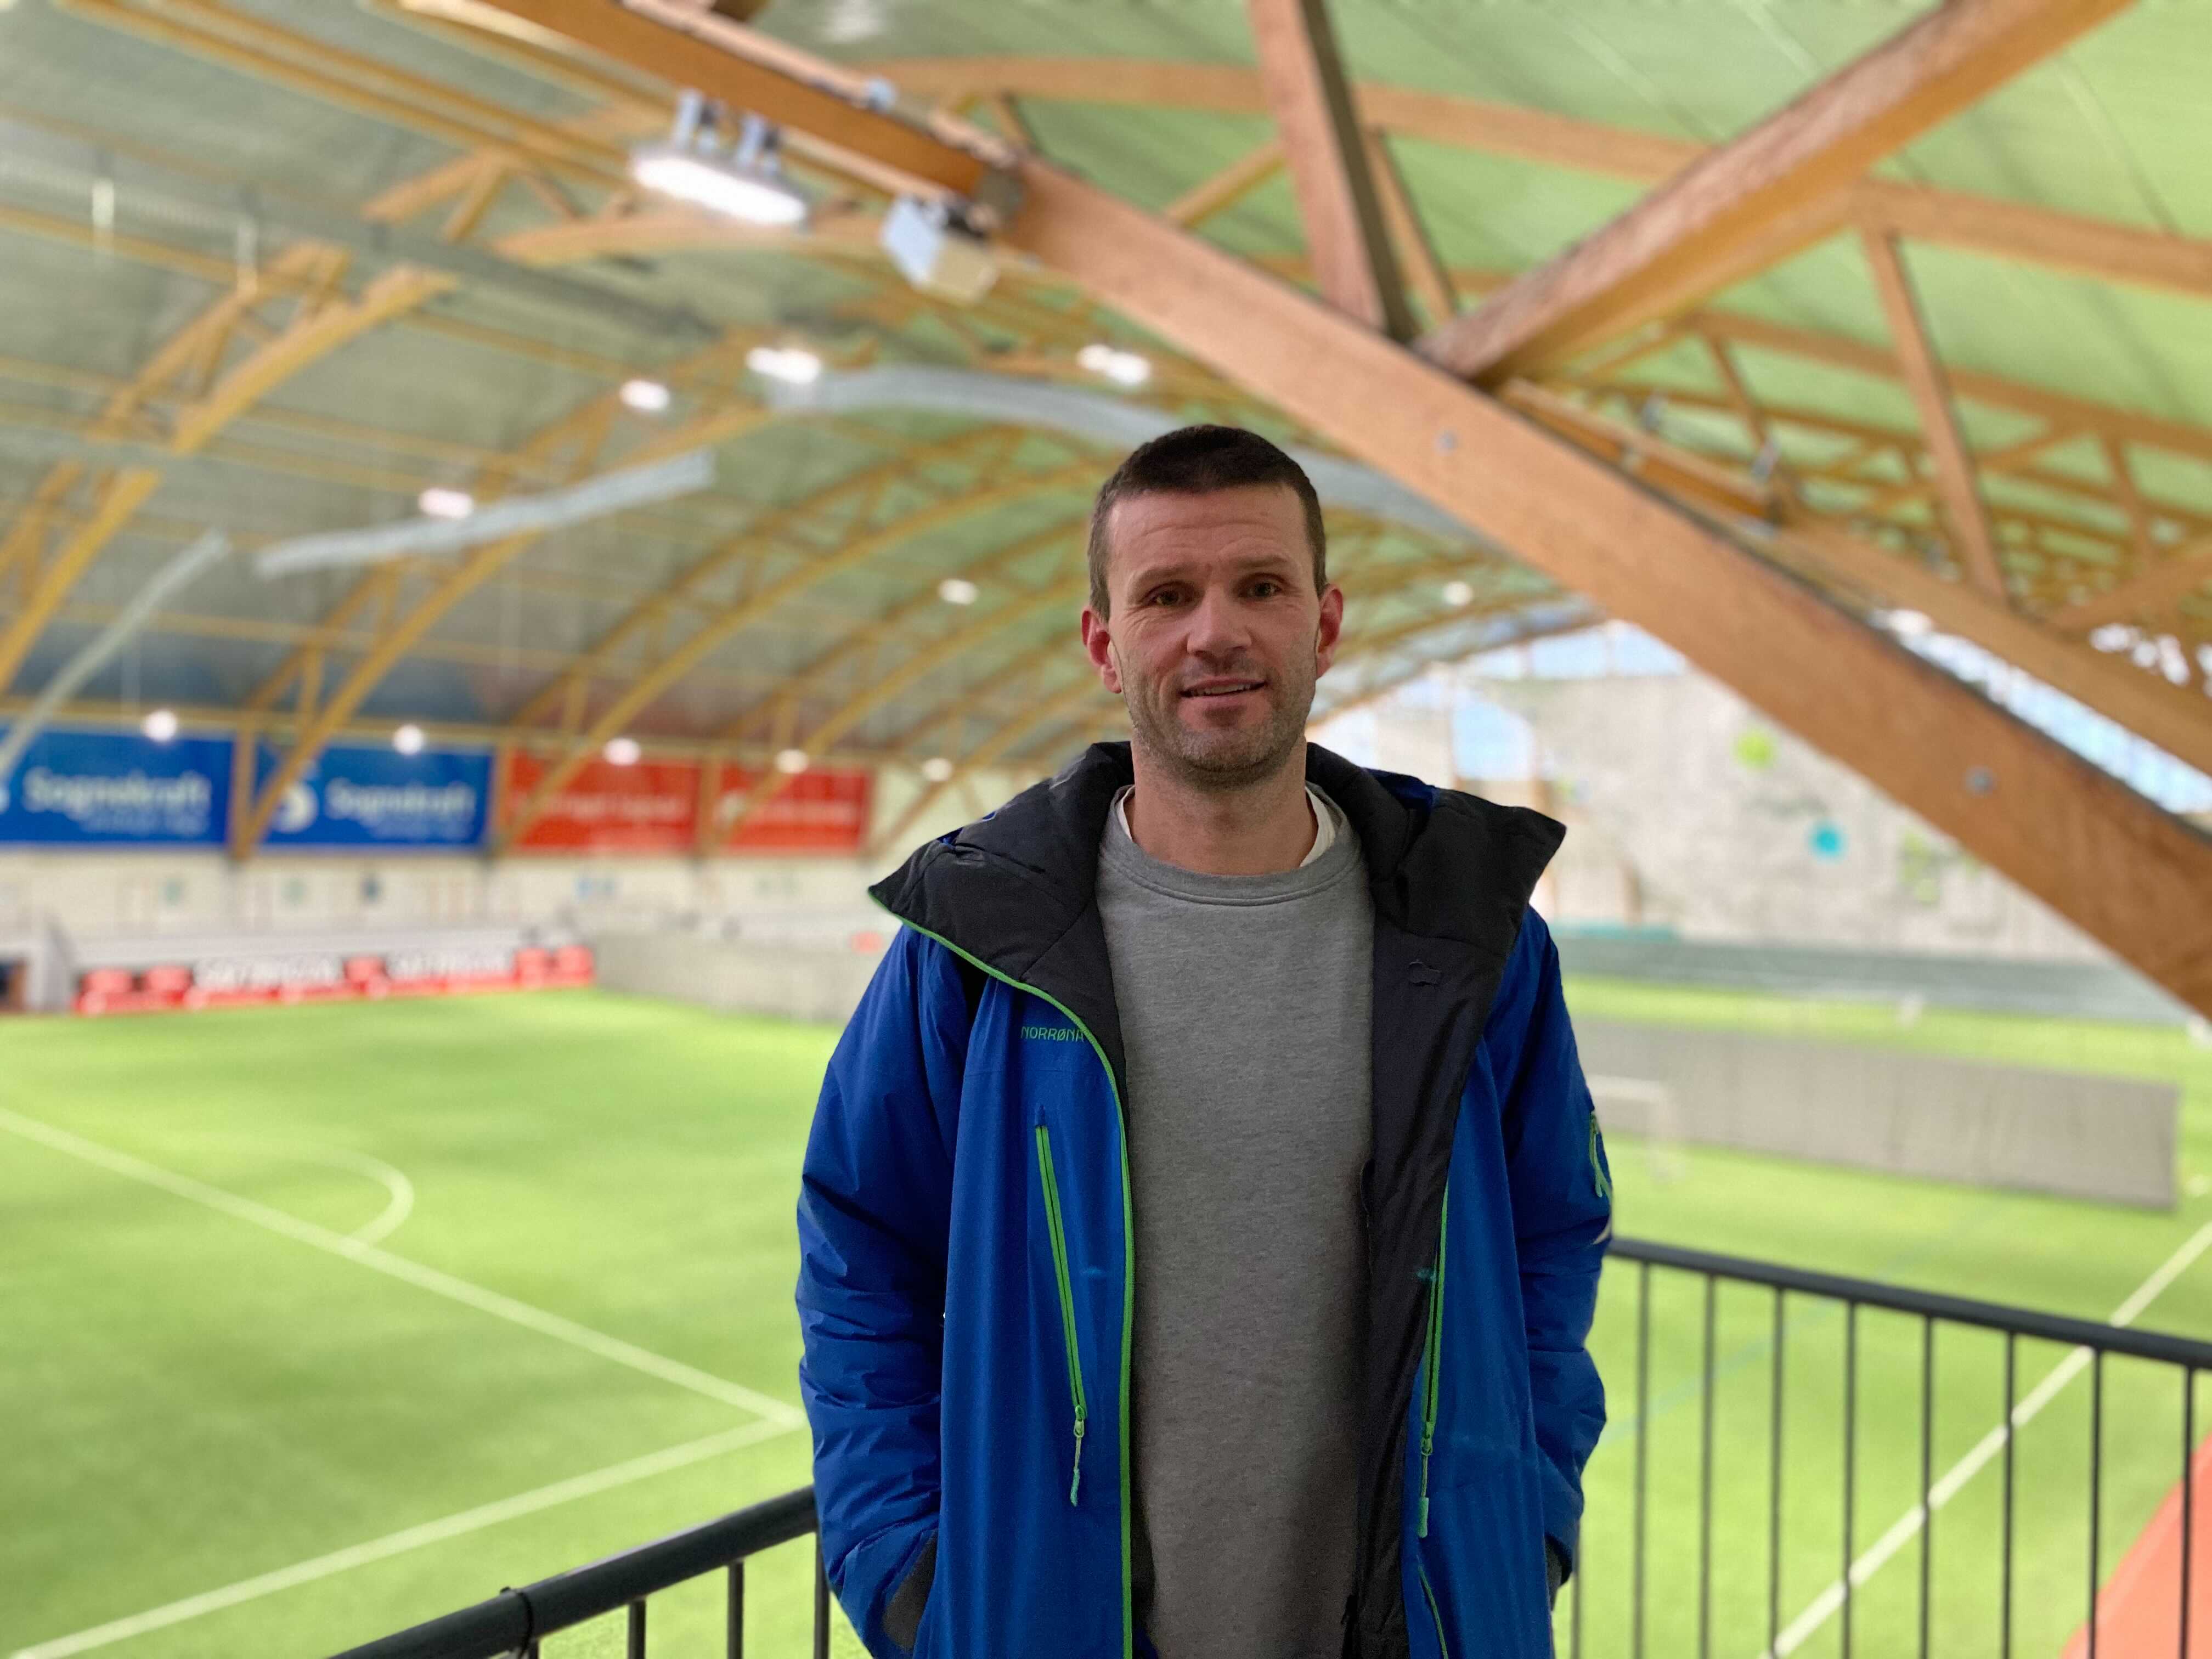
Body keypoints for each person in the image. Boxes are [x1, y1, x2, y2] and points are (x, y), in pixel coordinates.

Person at [797, 425, 1611, 1659]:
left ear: (1325, 624)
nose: (1214, 633)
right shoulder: (975, 946)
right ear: (1104, 643)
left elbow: (1555, 1235)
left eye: (1261, 587)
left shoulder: (1473, 940)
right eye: (1166, 595)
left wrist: (1523, 1520)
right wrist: (904, 1567)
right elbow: (860, 1250)